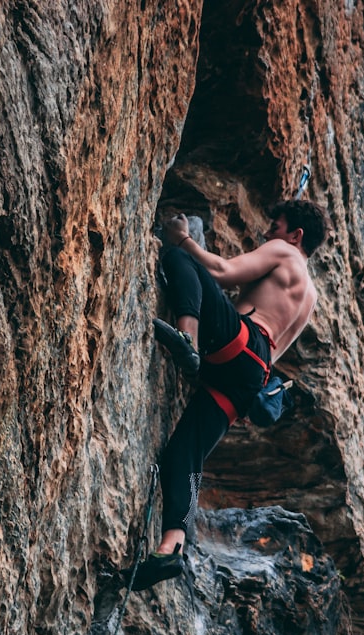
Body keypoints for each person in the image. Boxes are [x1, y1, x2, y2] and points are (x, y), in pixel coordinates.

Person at [125, 199, 329, 591]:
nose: (267, 233)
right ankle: (171, 547)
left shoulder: (285, 252)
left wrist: (183, 239)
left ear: (295, 235)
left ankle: (188, 338)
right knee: (184, 453)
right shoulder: (309, 298)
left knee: (181, 262)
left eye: (275, 225)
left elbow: (221, 271)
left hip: (241, 343)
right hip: (250, 379)